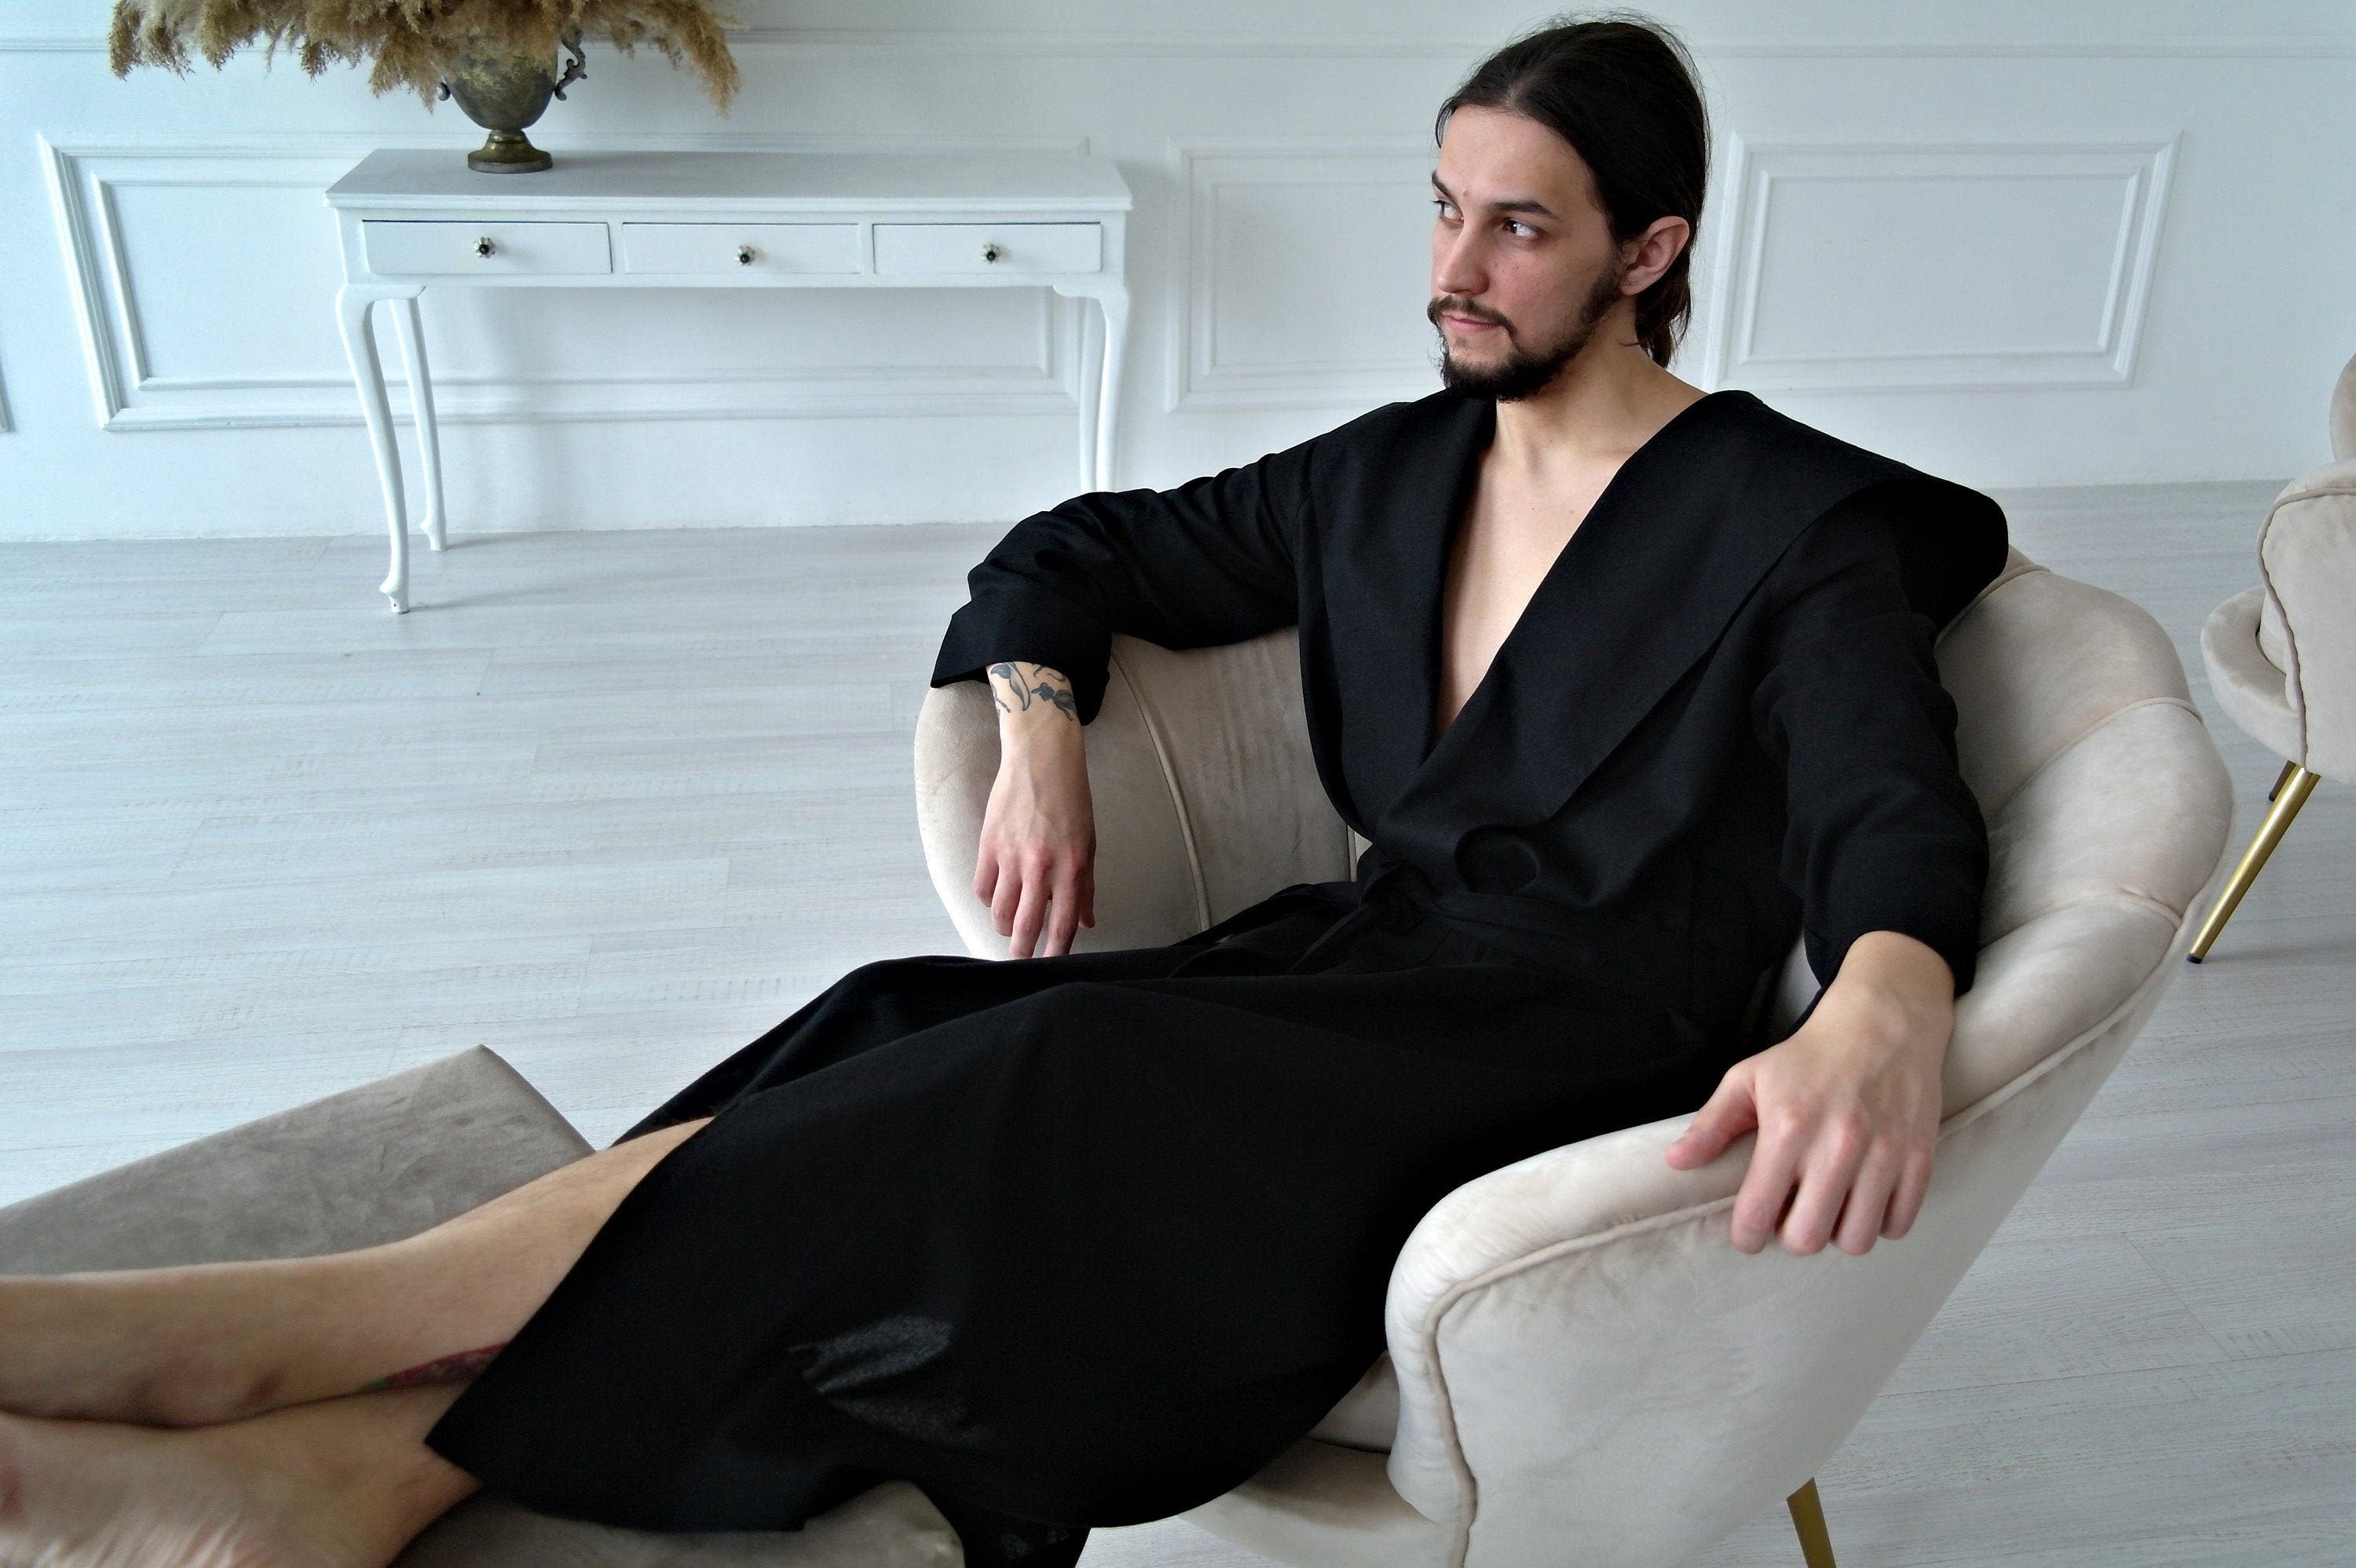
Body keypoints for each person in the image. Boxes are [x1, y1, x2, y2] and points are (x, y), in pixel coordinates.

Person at [0, 16, 2007, 1567]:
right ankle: (346, 1478)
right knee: (890, 1016)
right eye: (1441, 205)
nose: (1451, 269)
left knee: (1035, 1079)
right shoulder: (1399, 475)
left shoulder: (1786, 522)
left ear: (1651, 250)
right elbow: (1074, 550)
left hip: (1565, 1064)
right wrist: (1042, 730)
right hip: (1356, 981)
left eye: (1520, 226)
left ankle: (290, 1335)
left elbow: (1884, 796)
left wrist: (1888, 992)